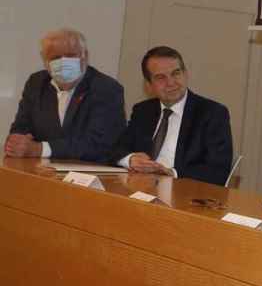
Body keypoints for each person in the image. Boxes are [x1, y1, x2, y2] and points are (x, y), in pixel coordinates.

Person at [111, 46, 233, 185]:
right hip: (142, 187)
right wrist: (131, 159)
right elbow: (116, 150)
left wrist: (172, 173)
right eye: (161, 77)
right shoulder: (143, 111)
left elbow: (218, 170)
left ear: (185, 74)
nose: (171, 83)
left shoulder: (212, 113)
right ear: (149, 85)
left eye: (176, 73)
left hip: (184, 191)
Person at [5, 28, 125, 162]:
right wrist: (16, 144)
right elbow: (20, 129)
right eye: (55, 57)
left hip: (89, 171)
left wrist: (40, 149)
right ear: (45, 60)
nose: (63, 62)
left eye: (70, 55)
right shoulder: (36, 83)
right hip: (40, 169)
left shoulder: (106, 88)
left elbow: (98, 144)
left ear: (84, 56)